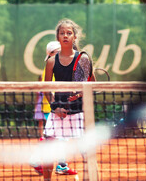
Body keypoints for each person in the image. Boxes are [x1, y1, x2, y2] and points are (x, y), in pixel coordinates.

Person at [42, 18, 95, 179]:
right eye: (62, 33)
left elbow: (91, 84)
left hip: (78, 112)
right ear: (58, 37)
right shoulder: (51, 62)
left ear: (74, 37)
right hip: (57, 112)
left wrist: (79, 94)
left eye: (69, 33)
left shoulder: (83, 59)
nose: (65, 36)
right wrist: (54, 108)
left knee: (85, 150)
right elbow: (47, 88)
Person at [31, 41, 61, 175]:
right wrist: (56, 106)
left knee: (56, 137)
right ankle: (36, 159)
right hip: (51, 108)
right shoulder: (50, 68)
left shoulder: (60, 66)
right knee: (52, 137)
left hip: (55, 108)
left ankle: (61, 164)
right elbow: (51, 90)